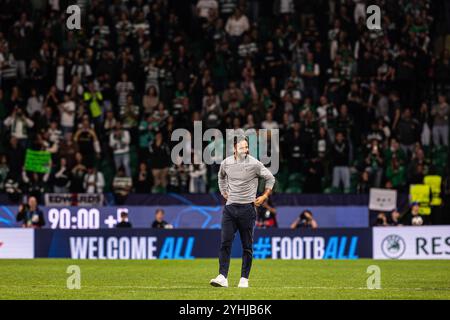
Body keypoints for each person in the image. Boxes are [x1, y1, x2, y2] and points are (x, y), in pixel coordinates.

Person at [210, 135, 275, 288]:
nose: (245, 150)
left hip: (247, 209)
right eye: (241, 147)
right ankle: (222, 277)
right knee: (225, 243)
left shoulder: (254, 164)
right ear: (234, 148)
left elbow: (271, 178)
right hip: (230, 209)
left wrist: (264, 196)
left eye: (246, 147)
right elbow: (221, 178)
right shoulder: (226, 163)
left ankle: (244, 279)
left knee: (247, 246)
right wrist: (223, 192)